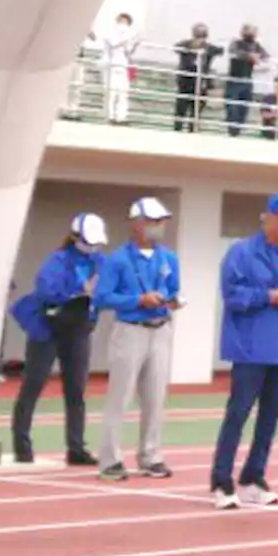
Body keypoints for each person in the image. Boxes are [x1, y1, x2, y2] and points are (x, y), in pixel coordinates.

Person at [210, 192, 278, 509]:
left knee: (270, 418)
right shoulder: (240, 253)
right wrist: (271, 296)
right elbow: (233, 296)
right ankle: (221, 481)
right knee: (238, 415)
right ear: (270, 218)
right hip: (250, 349)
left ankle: (254, 476)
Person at [9, 213, 108, 465]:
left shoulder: (99, 261)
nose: (92, 247)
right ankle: (22, 446)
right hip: (48, 329)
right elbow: (46, 290)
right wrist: (77, 292)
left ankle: (76, 448)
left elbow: (106, 291)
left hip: (78, 330)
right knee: (33, 384)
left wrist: (98, 295)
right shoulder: (58, 260)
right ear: (75, 237)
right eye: (88, 241)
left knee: (76, 390)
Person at [96, 197, 183, 481]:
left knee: (156, 397)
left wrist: (171, 301)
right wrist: (138, 299)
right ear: (137, 224)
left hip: (160, 329)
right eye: (153, 221)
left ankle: (151, 455)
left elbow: (173, 289)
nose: (159, 227)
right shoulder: (118, 259)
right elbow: (102, 297)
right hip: (130, 330)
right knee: (119, 397)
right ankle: (110, 459)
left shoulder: (169, 258)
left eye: (161, 222)